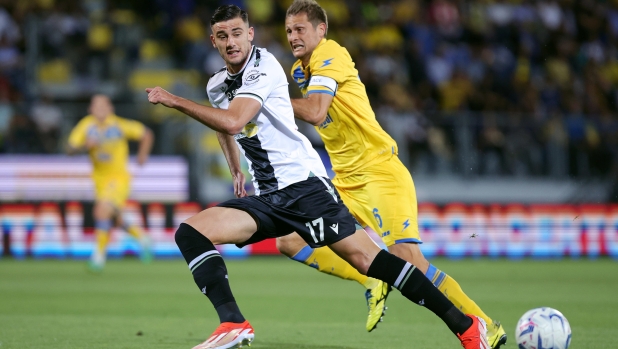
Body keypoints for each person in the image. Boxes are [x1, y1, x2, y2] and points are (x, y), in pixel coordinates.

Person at [146, 5, 489, 349]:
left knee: (371, 262)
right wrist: (235, 167)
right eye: (223, 36)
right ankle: (233, 323)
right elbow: (221, 123)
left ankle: (467, 326)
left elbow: (234, 121)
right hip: (268, 198)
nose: (231, 42)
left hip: (305, 189)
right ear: (213, 41)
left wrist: (174, 100)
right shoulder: (218, 84)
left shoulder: (263, 67)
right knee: (191, 232)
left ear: (250, 35)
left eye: (237, 34)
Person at [277, 0, 507, 347]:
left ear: (320, 30)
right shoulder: (299, 71)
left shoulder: (331, 54)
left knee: (409, 259)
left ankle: (486, 325)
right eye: (289, 30)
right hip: (344, 180)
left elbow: (314, 111)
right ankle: (371, 279)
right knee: (290, 239)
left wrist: (264, 99)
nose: (293, 36)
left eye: (300, 29)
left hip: (379, 172)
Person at [67, 95, 154, 272]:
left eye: (103, 106)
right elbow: (70, 148)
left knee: (101, 210)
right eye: (96, 106)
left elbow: (147, 134)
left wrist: (142, 155)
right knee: (112, 218)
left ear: (110, 108)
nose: (99, 109)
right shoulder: (86, 126)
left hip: (119, 179)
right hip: (99, 181)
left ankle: (98, 256)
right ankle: (143, 238)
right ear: (90, 109)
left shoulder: (119, 125)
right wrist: (85, 145)